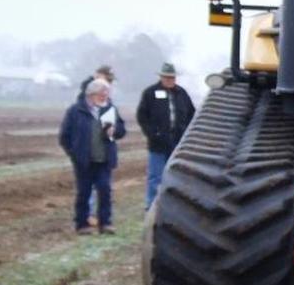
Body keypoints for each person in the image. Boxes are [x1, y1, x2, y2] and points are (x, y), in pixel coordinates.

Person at [60, 80, 126, 235]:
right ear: (90, 95)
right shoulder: (75, 111)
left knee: (105, 190)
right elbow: (64, 136)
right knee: (84, 192)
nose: (105, 97)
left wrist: (115, 131)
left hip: (104, 160)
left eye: (106, 94)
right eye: (102, 94)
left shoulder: (110, 109)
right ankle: (82, 225)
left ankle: (105, 223)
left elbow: (122, 130)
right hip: (84, 161)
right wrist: (74, 154)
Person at [137, 63, 195, 209]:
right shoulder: (150, 93)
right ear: (161, 77)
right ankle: (152, 206)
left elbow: (192, 115)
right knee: (155, 176)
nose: (170, 80)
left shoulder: (182, 93)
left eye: (172, 77)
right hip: (157, 143)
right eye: (167, 77)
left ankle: (173, 206)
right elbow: (142, 116)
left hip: (178, 144)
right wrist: (152, 133)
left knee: (176, 176)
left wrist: (186, 134)